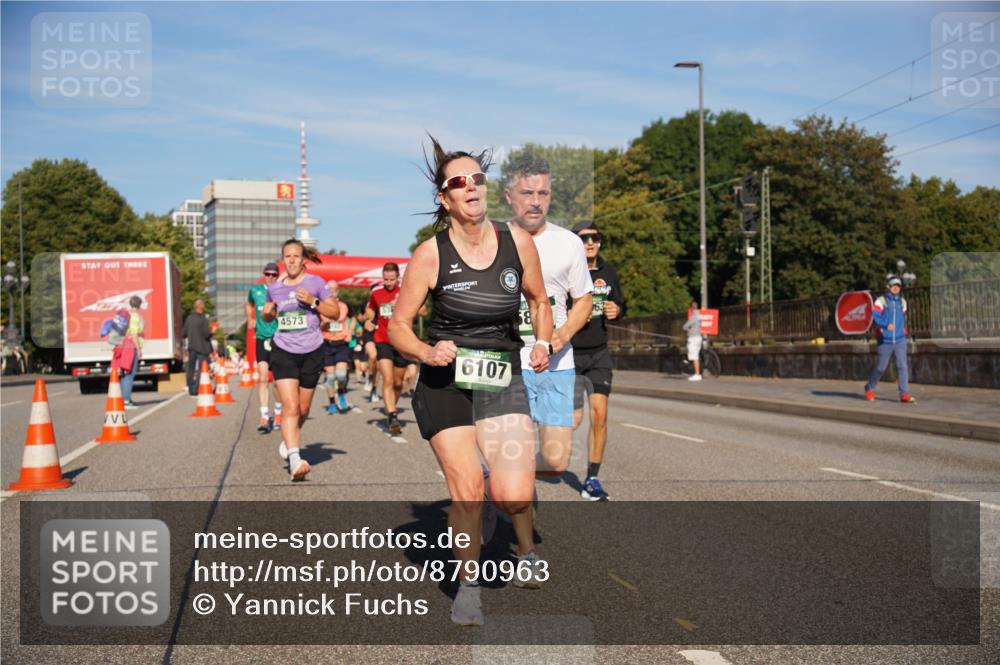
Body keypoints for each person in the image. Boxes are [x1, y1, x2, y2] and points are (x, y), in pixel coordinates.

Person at [389, 136, 552, 626]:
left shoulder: (517, 241)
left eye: (477, 179)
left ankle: (495, 500)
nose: (471, 187)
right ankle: (468, 587)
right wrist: (425, 350)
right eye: (459, 182)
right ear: (445, 198)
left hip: (501, 375)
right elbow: (398, 325)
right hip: (447, 382)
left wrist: (542, 342)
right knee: (466, 490)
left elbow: (540, 300)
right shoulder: (430, 255)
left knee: (514, 496)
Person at [506, 155, 593, 496]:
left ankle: (495, 481)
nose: (536, 201)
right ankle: (509, 499)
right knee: (513, 445)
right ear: (510, 195)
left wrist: (561, 335)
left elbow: (583, 299)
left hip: (556, 363)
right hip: (509, 362)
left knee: (556, 463)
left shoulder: (568, 242)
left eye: (543, 193)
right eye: (528, 193)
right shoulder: (493, 240)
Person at [261, 238, 343, 481]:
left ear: (303, 260)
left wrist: (313, 302)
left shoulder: (315, 283)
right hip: (284, 350)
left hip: (312, 351)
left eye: (296, 256)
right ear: (283, 260)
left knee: (304, 408)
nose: (292, 260)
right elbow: (269, 316)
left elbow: (335, 312)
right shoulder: (274, 287)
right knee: (290, 406)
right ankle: (295, 458)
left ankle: (290, 440)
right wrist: (267, 315)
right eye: (287, 256)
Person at [569, 221, 626, 501]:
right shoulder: (567, 272)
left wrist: (617, 309)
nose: (590, 242)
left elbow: (619, 303)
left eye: (595, 237)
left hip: (599, 353)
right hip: (569, 353)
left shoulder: (608, 271)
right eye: (584, 238)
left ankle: (592, 478)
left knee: (600, 416)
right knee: (572, 419)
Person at [365, 263, 408, 434]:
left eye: (392, 279)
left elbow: (423, 311)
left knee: (398, 383)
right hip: (382, 339)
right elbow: (370, 310)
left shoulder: (406, 292)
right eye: (386, 279)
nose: (389, 282)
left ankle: (392, 407)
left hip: (402, 342)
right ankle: (392, 415)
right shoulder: (376, 293)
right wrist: (369, 320)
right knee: (388, 379)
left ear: (398, 278)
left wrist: (401, 305)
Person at [865, 275, 915, 403]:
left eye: (898, 286)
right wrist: (885, 325)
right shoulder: (881, 301)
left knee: (902, 366)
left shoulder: (903, 302)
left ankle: (904, 393)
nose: (896, 288)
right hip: (885, 340)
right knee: (881, 367)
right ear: (888, 286)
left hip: (900, 340)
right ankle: (869, 387)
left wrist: (902, 332)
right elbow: (875, 316)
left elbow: (902, 318)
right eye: (893, 285)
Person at [246, 263, 282, 432]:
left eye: (274, 274)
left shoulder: (282, 291)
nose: (270, 277)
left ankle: (278, 412)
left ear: (277, 275)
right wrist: (250, 318)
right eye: (268, 274)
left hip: (278, 339)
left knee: (276, 380)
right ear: (264, 275)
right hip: (261, 337)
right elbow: (249, 304)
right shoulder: (256, 290)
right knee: (262, 377)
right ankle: (264, 416)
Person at [319, 279, 353, 414]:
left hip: (341, 343)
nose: (332, 291)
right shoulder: (321, 306)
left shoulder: (344, 305)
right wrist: (322, 326)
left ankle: (341, 392)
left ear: (338, 290)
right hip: (327, 343)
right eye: (329, 288)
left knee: (341, 374)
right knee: (331, 377)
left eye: (334, 288)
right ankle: (332, 402)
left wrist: (349, 331)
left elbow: (354, 318)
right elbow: (315, 323)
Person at [183, 299, 214, 397]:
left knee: (190, 369)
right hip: (202, 348)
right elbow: (206, 334)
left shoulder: (189, 318)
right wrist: (212, 332)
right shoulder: (203, 319)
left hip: (191, 347)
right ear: (202, 307)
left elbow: (184, 333)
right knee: (201, 369)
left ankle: (190, 387)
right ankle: (195, 389)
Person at [119, 295, 145, 409]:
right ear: (139, 304)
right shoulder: (134, 316)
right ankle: (125, 401)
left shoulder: (127, 314)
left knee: (126, 373)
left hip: (125, 346)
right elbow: (134, 334)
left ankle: (126, 398)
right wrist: (138, 349)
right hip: (131, 347)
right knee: (130, 374)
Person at [683, 301, 703, 381]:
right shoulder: (699, 316)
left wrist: (688, 329)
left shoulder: (693, 317)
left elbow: (684, 327)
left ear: (692, 308)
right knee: (696, 355)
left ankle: (697, 374)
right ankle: (697, 373)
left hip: (693, 338)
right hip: (698, 337)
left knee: (694, 356)